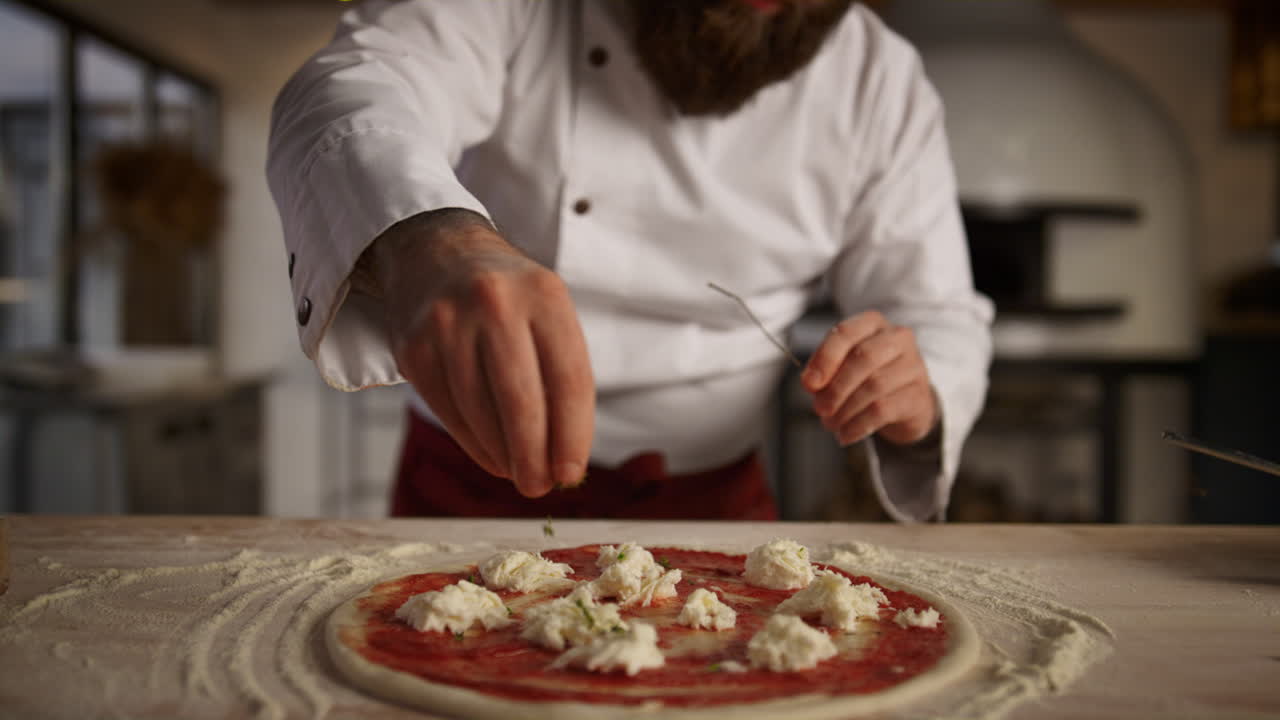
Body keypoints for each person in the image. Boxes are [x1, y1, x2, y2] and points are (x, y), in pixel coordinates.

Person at [267, 0, 992, 522]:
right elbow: (352, 85)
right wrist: (435, 240)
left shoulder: (882, 83)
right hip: (467, 493)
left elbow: (936, 314)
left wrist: (918, 382)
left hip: (713, 506)